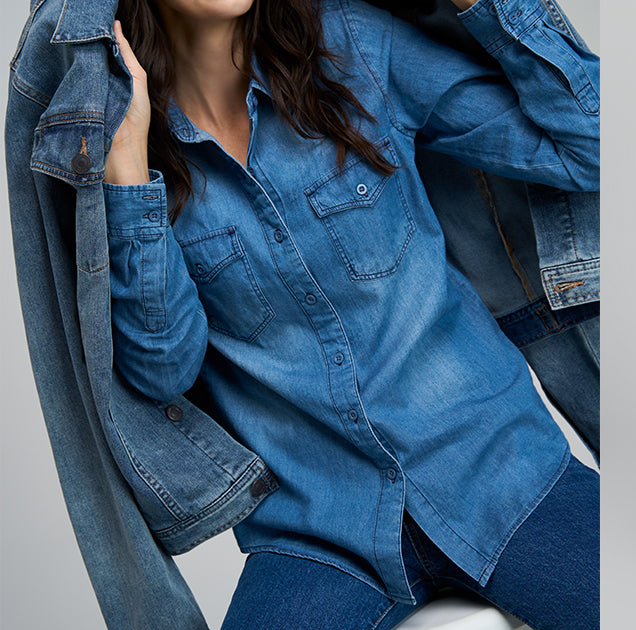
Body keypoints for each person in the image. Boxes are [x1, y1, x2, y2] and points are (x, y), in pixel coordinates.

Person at [104, 0, 598, 628]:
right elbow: (163, 368)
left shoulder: (354, 47)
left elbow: (594, 147)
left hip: (503, 479)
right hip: (319, 538)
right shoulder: (132, 141)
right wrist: (127, 183)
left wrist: (488, 5)